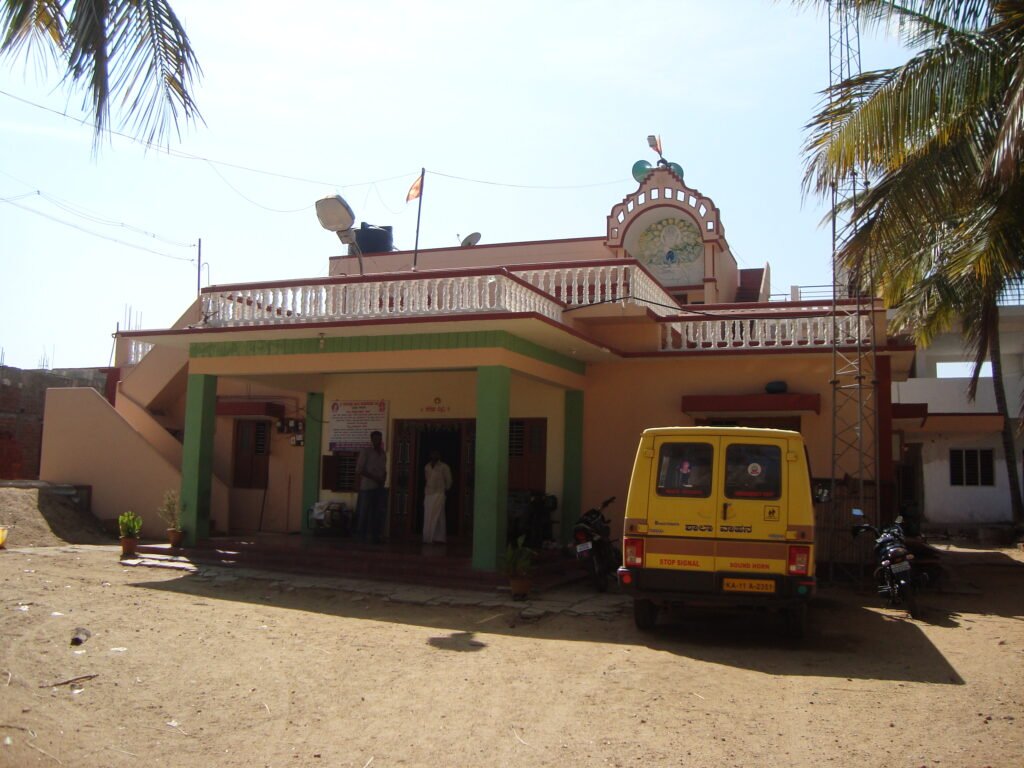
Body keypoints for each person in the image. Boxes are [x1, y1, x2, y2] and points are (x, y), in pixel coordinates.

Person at [355, 430, 387, 544]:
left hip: (379, 487)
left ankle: (374, 536)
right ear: (372, 439)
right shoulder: (366, 452)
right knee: (364, 512)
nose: (378, 441)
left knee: (377, 513)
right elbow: (359, 470)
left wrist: (383, 479)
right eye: (376, 438)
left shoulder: (382, 453)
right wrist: (375, 478)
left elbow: (384, 469)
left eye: (379, 438)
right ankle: (361, 537)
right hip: (367, 487)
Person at [422, 450, 453, 544]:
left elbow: (449, 480)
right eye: (432, 453)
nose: (434, 455)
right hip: (429, 494)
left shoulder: (444, 467)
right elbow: (427, 479)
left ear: (439, 455)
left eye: (436, 454)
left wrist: (445, 489)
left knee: (439, 516)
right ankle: (428, 537)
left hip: (439, 493)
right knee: (428, 516)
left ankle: (439, 538)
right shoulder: (427, 467)